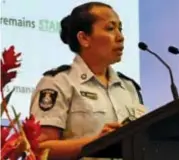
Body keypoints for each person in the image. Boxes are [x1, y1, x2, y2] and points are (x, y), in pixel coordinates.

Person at [29, 2, 147, 160]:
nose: (120, 37)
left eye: (120, 28)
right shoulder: (58, 83)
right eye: (110, 28)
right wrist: (96, 142)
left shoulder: (129, 87)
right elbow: (40, 149)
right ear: (84, 38)